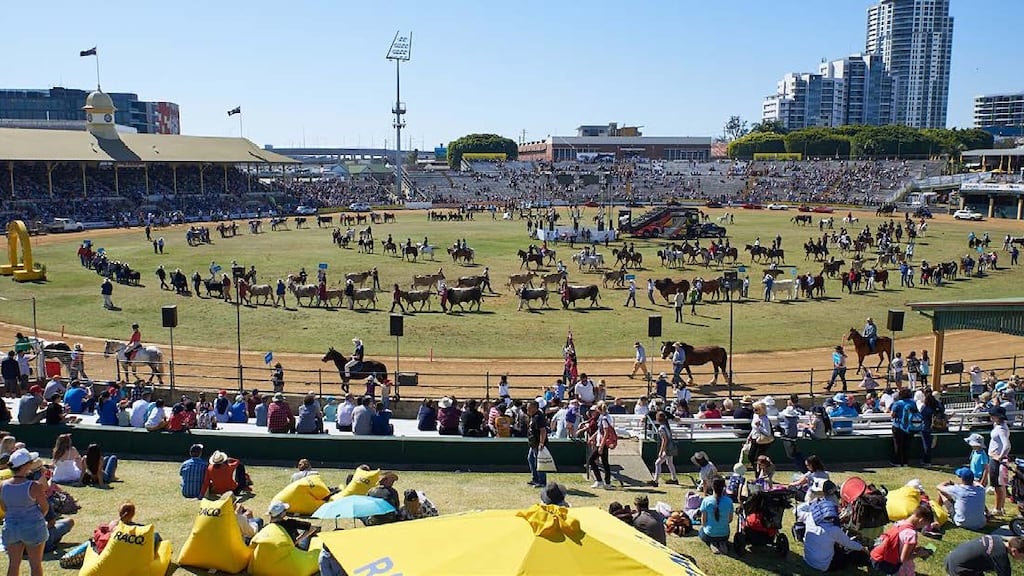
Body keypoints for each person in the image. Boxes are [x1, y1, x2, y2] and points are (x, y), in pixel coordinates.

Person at [1, 448, 50, 576]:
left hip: (11, 528)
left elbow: (5, 508)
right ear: (26, 466)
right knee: (35, 565)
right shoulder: (34, 486)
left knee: (13, 565)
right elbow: (45, 508)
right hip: (33, 528)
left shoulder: (2, 485)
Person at [801, 497, 868, 571]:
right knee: (847, 556)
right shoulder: (833, 530)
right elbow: (849, 544)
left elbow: (797, 510)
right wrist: (862, 548)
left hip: (808, 558)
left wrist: (809, 503)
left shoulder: (810, 517)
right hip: (822, 565)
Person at [869, 503, 935, 575]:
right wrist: (919, 554)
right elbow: (903, 559)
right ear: (921, 520)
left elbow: (899, 544)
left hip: (876, 556)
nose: (922, 527)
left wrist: (915, 549)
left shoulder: (900, 523)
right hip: (885, 564)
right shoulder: (911, 534)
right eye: (924, 525)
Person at [945, 535, 1024, 576]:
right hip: (959, 569)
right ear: (1015, 551)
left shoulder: (996, 538)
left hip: (950, 559)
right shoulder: (1001, 557)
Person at [699, 476, 733, 555]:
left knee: (701, 531)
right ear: (724, 487)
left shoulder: (706, 501)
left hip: (709, 534)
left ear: (712, 486)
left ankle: (713, 543)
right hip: (725, 535)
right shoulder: (729, 501)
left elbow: (703, 522)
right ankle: (721, 543)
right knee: (719, 535)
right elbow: (730, 520)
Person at [988, 406, 1012, 515]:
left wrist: (1000, 457)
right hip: (996, 459)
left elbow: (1007, 445)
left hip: (996, 460)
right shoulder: (999, 426)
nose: (991, 417)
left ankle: (997, 509)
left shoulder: (1001, 429)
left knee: (997, 485)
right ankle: (1001, 508)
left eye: (992, 415)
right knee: (1000, 484)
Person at [588, 402, 614, 490]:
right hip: (603, 443)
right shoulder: (608, 417)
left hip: (602, 443)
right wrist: (593, 437)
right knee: (605, 462)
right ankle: (607, 482)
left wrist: (601, 446)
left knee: (591, 460)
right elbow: (600, 431)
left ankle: (600, 481)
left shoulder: (603, 419)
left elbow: (606, 432)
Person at [650, 411, 678, 487]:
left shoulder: (661, 428)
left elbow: (664, 440)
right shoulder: (666, 426)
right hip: (671, 447)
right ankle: (674, 479)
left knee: (657, 463)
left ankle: (655, 481)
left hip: (667, 448)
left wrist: (661, 451)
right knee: (669, 463)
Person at [526, 400, 548, 488]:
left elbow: (543, 430)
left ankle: (542, 481)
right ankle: (535, 479)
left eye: (529, 407)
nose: (528, 409)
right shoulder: (533, 416)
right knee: (530, 459)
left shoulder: (538, 417)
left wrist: (541, 443)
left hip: (538, 443)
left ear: (535, 407)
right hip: (533, 443)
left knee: (539, 462)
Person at [747, 401, 775, 465]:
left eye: (756, 409)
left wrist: (759, 427)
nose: (754, 411)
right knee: (751, 457)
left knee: (758, 459)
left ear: (761, 410)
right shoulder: (755, 416)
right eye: (753, 409)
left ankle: (760, 472)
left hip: (761, 441)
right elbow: (754, 428)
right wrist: (750, 435)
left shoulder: (765, 419)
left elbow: (768, 433)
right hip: (754, 439)